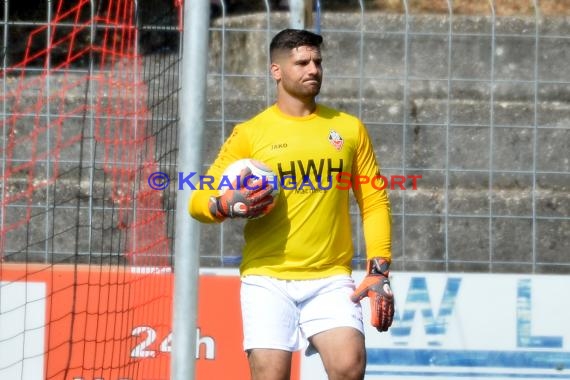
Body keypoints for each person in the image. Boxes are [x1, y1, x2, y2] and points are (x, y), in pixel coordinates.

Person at [189, 28, 394, 380]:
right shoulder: (250, 133)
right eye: (302, 62)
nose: (313, 69)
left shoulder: (348, 129)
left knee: (349, 367)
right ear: (276, 71)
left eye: (317, 61)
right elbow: (197, 201)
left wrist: (379, 269)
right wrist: (224, 204)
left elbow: (373, 200)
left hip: (329, 277)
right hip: (267, 278)